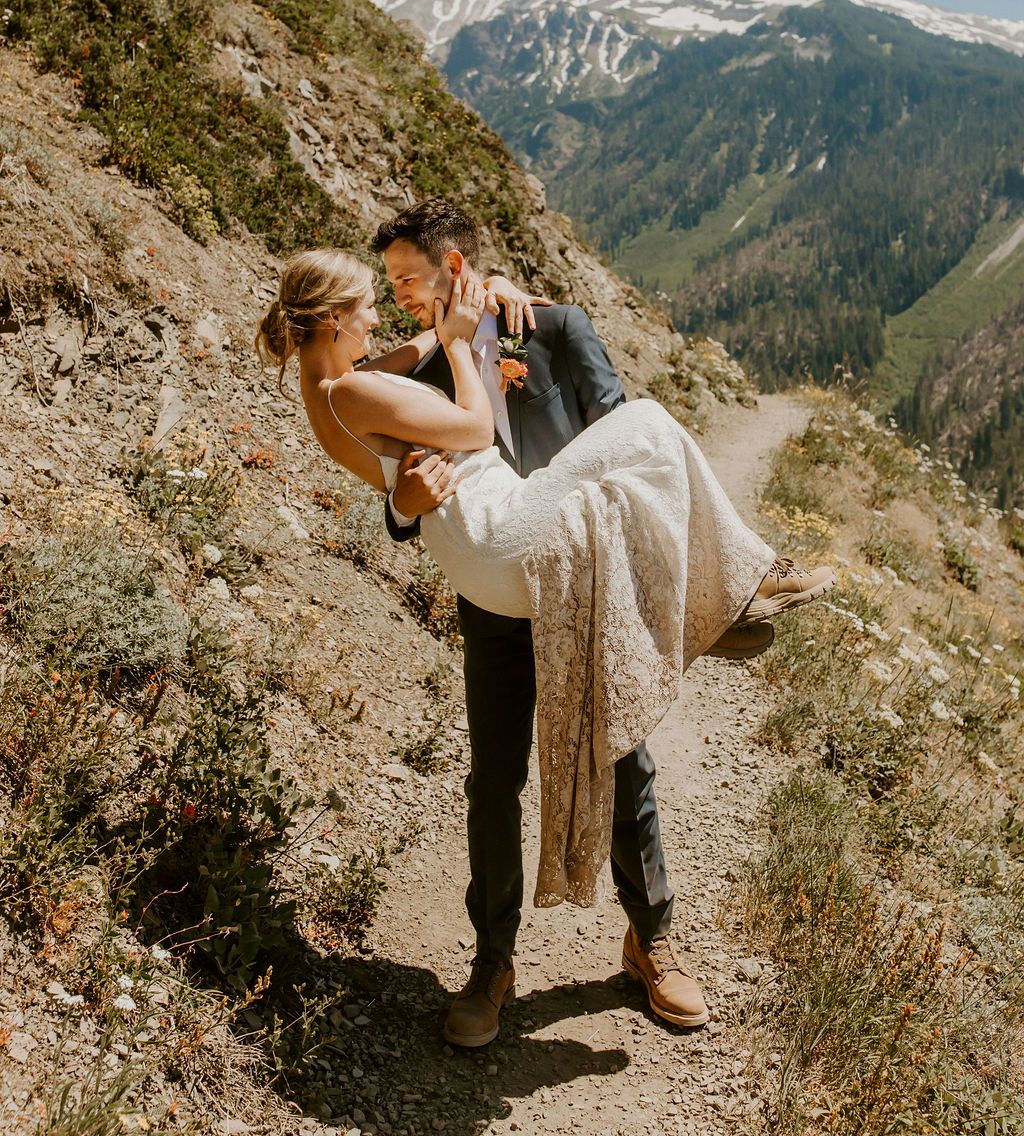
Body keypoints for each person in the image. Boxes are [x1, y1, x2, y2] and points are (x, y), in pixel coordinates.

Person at [255, 210, 835, 1049]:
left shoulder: (554, 326)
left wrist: (479, 317)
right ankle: (493, 962)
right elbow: (406, 471)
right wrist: (410, 479)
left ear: (454, 266)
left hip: (578, 569)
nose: (396, 299)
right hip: (499, 582)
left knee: (624, 752)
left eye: (408, 280)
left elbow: (608, 423)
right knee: (494, 781)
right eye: (382, 290)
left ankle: (652, 939)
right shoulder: (400, 363)